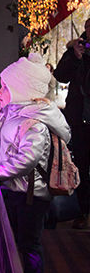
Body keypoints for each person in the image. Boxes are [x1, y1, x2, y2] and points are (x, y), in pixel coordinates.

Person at [0, 52, 71, 273]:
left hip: (31, 197)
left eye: (4, 86)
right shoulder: (16, 114)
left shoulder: (35, 122)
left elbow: (27, 159)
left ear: (20, 89)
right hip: (19, 192)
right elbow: (11, 150)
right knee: (20, 243)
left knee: (29, 244)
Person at [54, 18, 90, 229]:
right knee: (82, 167)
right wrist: (76, 57)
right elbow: (60, 76)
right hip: (80, 120)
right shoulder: (75, 51)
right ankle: (84, 212)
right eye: (88, 27)